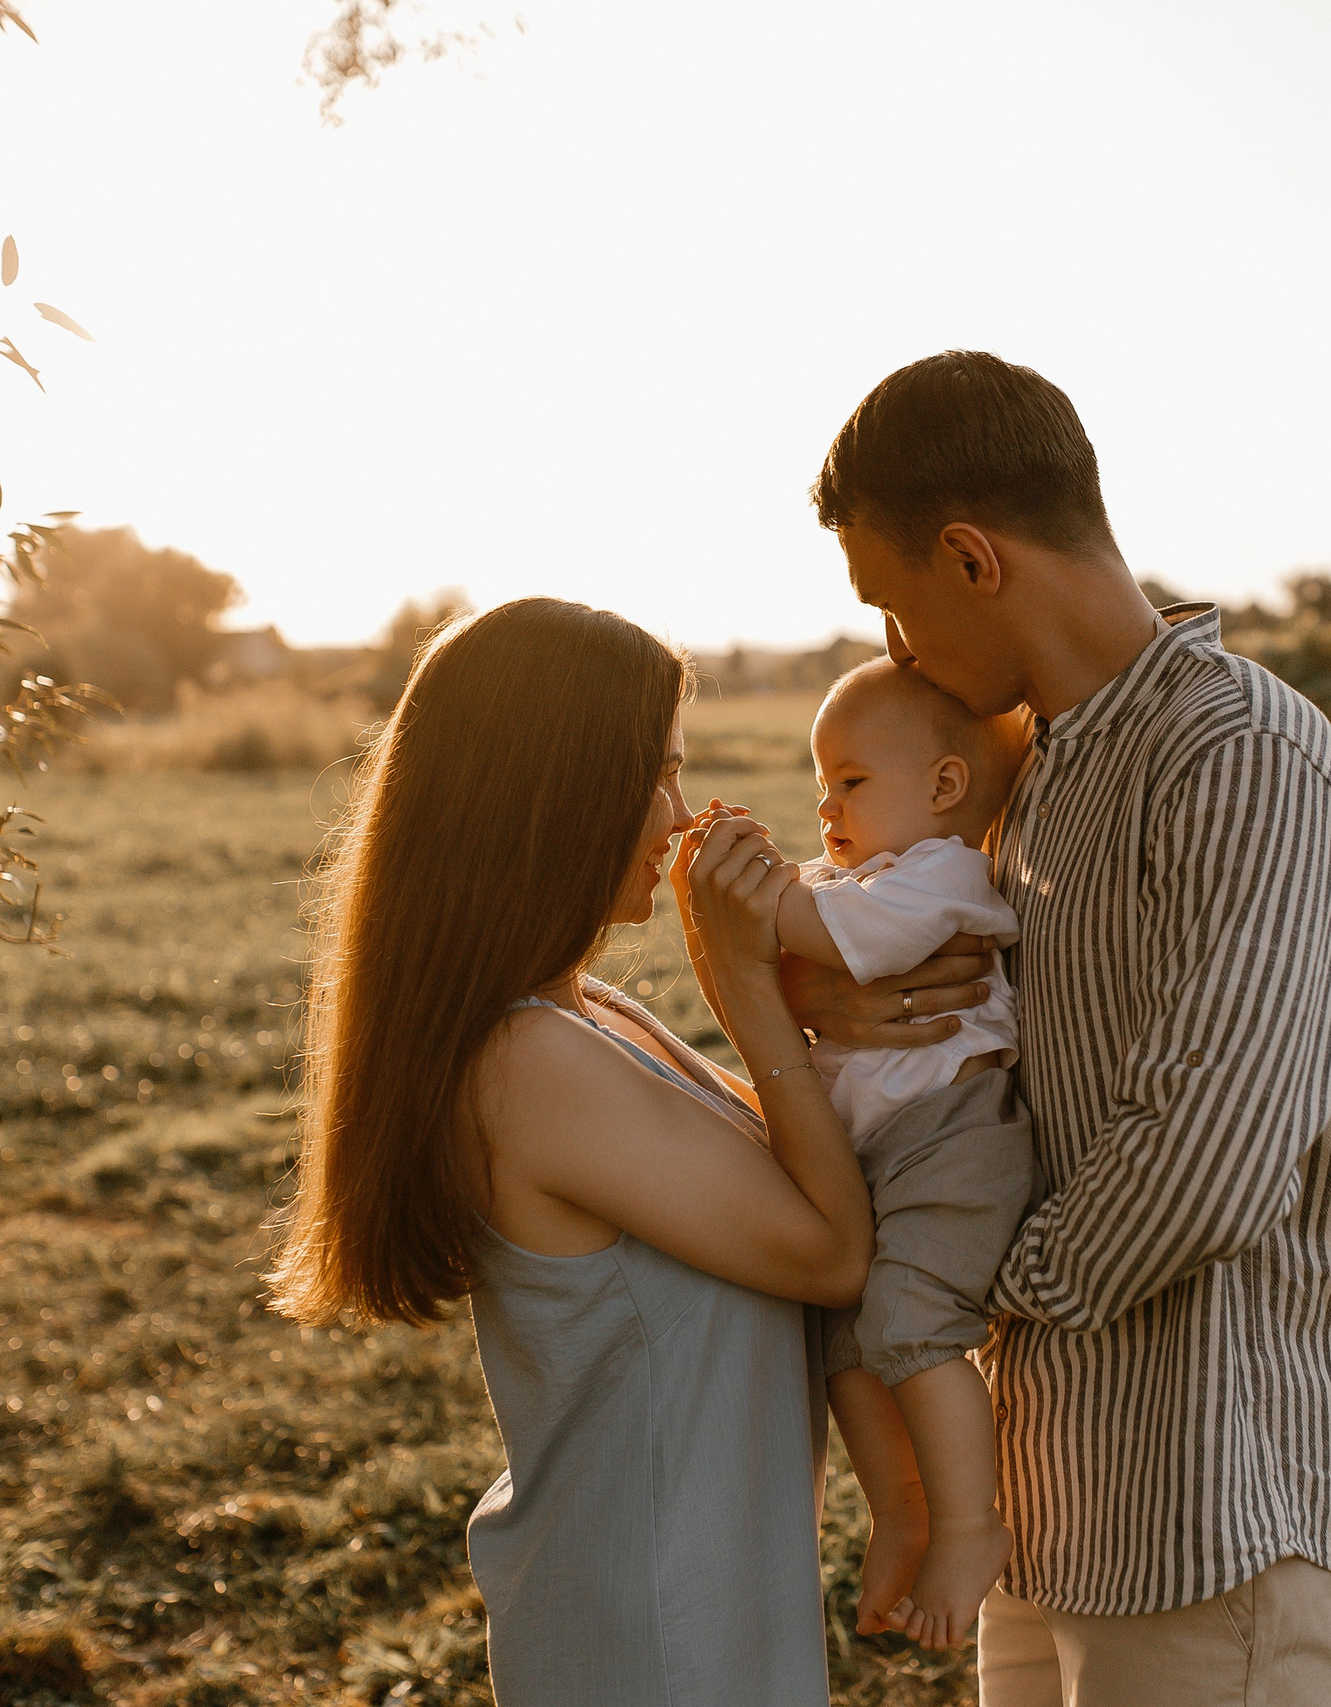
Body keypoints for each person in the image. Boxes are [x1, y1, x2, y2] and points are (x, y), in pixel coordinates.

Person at [785, 352, 1331, 1704]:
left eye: (892, 604)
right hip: (1046, 1490)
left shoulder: (1241, 756)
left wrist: (955, 1274)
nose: (897, 651)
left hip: (1207, 1503)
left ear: (968, 557)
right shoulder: (1039, 771)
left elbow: (1207, 1159)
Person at [266, 597, 875, 1707]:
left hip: (696, 1593)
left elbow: (823, 1156)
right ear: (549, 795)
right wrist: (743, 987)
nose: (682, 822)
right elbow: (833, 1247)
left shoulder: (587, 1014)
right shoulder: (527, 1066)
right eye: (657, 778)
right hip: (653, 1633)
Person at [756, 657, 1040, 1649]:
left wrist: (745, 901)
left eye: (851, 781)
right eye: (821, 783)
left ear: (945, 788)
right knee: (844, 1346)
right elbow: (816, 927)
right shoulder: (860, 875)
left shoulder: (941, 876)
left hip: (952, 1141)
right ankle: (903, 1511)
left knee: (914, 1327)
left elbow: (838, 936)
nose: (825, 804)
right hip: (879, 1155)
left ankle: (971, 1526)